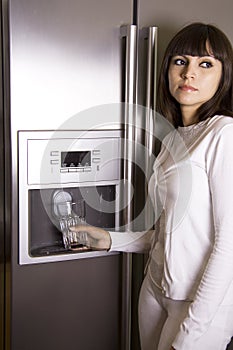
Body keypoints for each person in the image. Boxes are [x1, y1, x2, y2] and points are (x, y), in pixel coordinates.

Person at [70, 22, 233, 349]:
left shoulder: (224, 134)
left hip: (199, 305)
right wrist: (110, 240)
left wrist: (192, 331)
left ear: (224, 76)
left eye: (205, 64)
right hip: (155, 291)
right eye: (180, 62)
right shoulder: (174, 137)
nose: (189, 74)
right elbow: (168, 231)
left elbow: (228, 245)